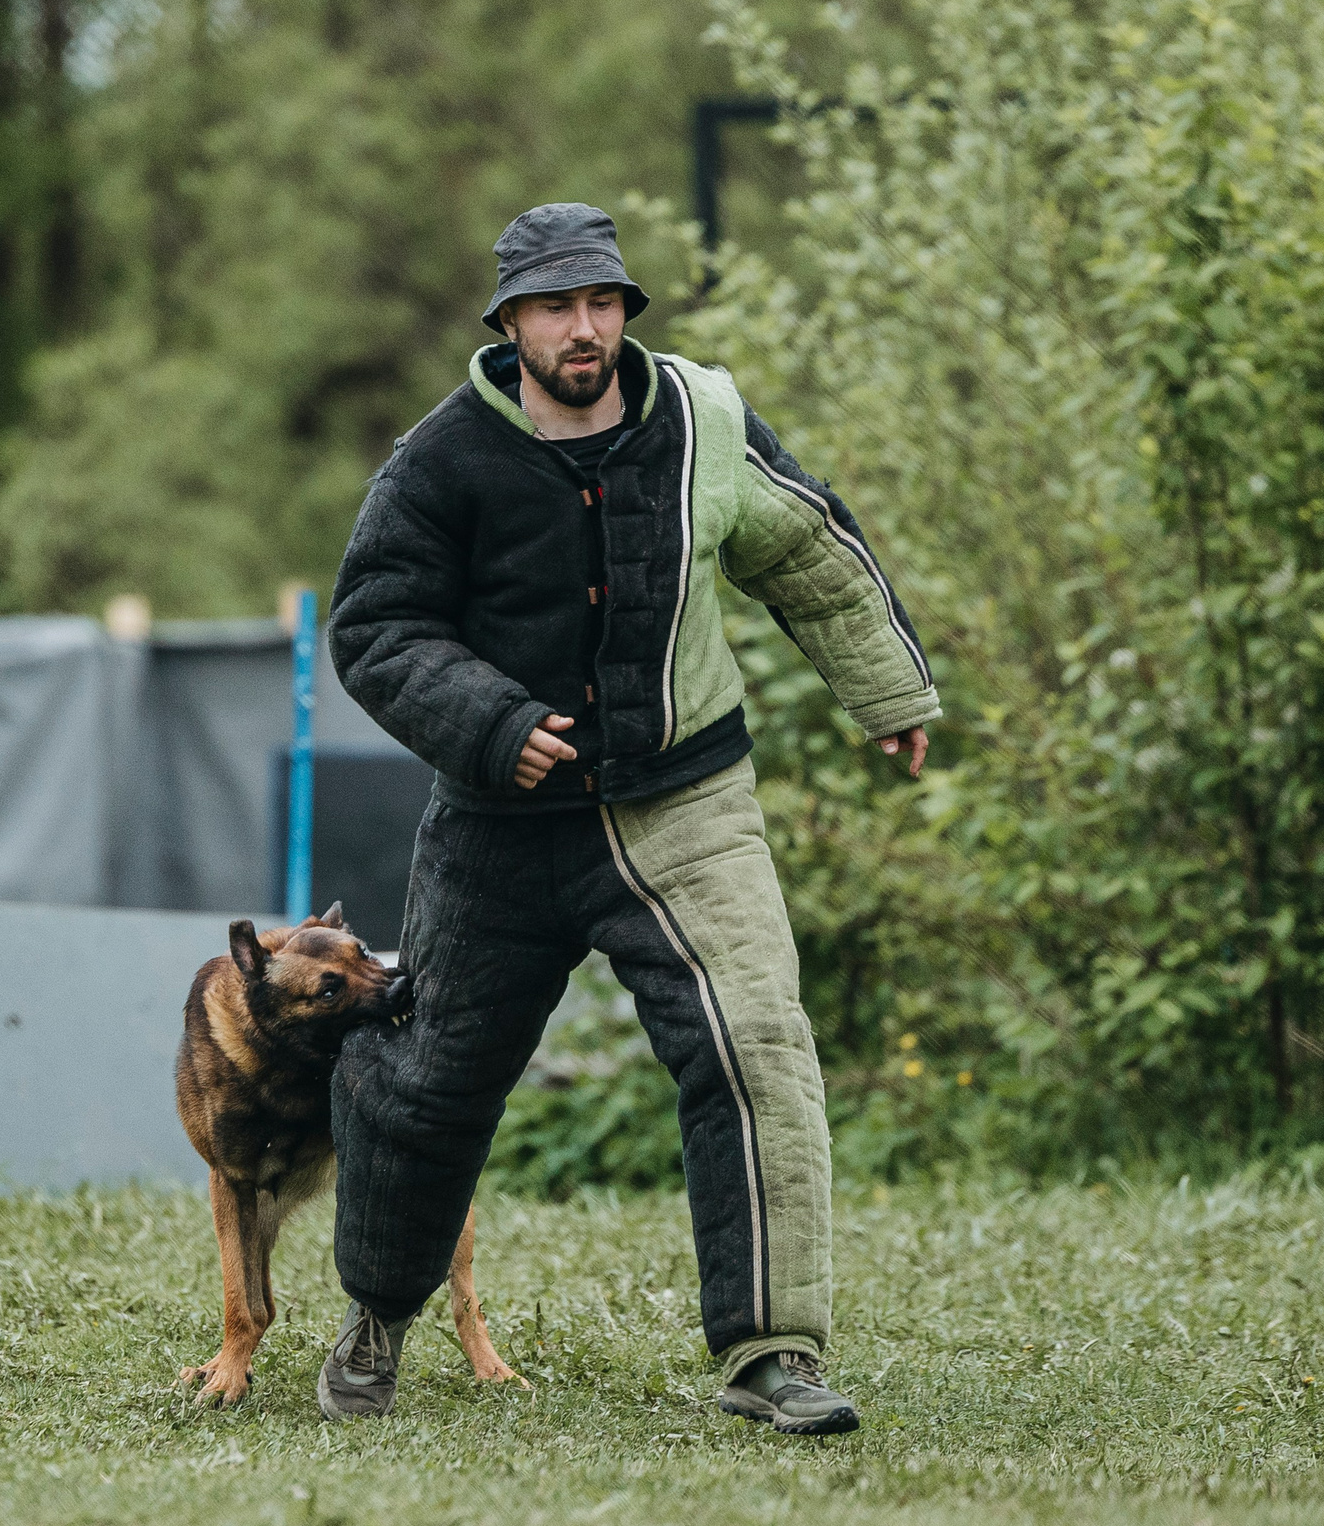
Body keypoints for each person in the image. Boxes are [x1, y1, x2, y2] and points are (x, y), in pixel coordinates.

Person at [319, 202, 939, 1435]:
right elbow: (376, 628)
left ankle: (773, 1353)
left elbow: (806, 550)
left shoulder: (704, 419)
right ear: (509, 323)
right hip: (499, 826)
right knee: (427, 1080)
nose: (584, 328)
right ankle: (376, 1319)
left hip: (683, 801)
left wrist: (887, 691)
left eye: (601, 302)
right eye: (556, 306)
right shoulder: (438, 460)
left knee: (755, 1044)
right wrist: (492, 722)